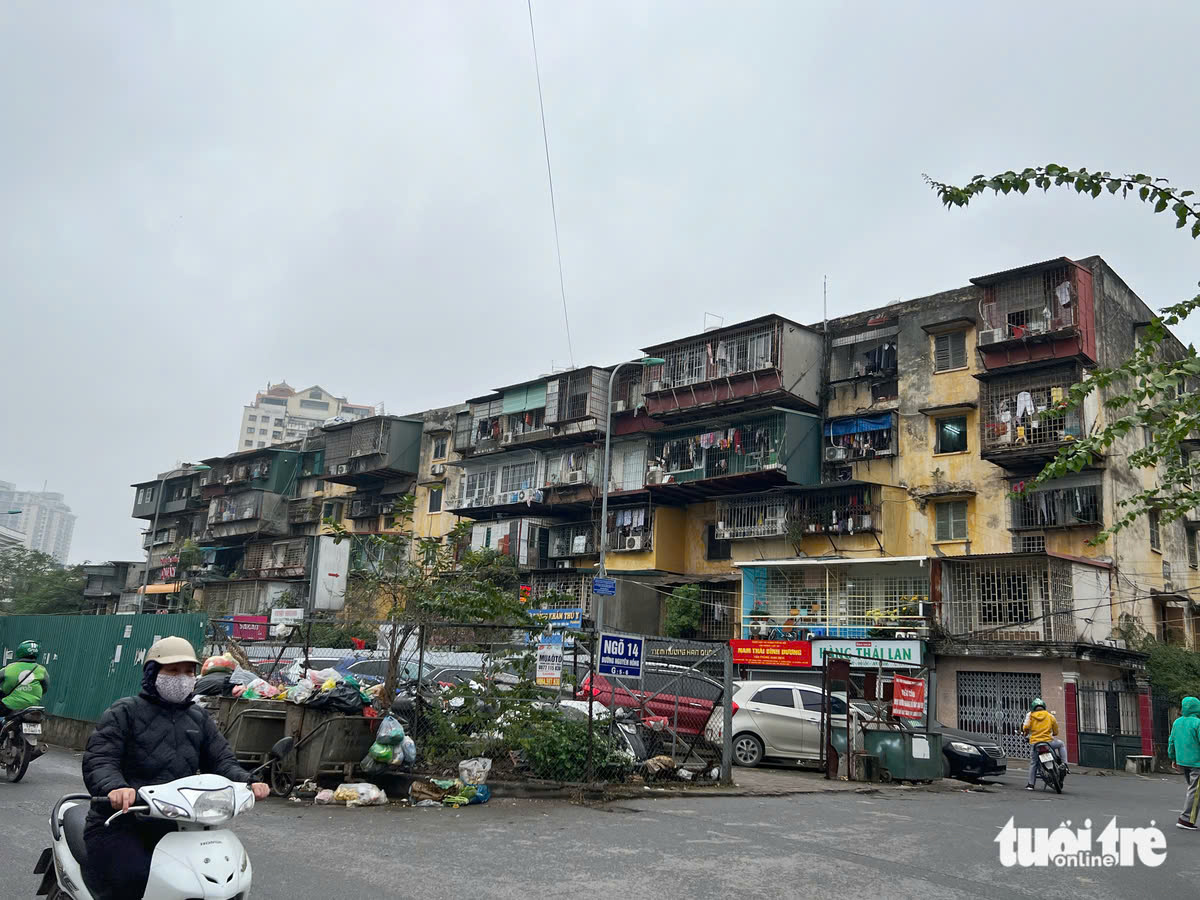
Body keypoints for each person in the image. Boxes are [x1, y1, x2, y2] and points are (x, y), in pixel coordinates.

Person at [81, 636, 269, 900]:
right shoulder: (124, 712)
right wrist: (117, 788)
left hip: (180, 823)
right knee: (133, 878)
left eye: (188, 671)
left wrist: (247, 781)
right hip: (122, 821)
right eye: (173, 670)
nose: (182, 678)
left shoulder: (198, 717)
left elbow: (221, 760)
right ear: (153, 673)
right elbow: (101, 760)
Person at [1168, 696, 1200, 830]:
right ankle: (1185, 819)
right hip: (1197, 763)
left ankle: (1187, 817)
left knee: (1194, 789)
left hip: (1183, 762)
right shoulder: (1197, 723)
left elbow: (1171, 741)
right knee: (1195, 791)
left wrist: (1173, 758)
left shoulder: (1177, 723)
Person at [1021, 697, 1067, 790]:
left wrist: (1025, 734)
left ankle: (1031, 785)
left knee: (1033, 762)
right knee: (1061, 744)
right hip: (1048, 742)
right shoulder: (1050, 716)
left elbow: (1025, 728)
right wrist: (1054, 733)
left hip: (1035, 743)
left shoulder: (1030, 715)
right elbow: (1055, 729)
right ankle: (1064, 764)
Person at [0, 639, 49, 717]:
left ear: (20, 652)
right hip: (33, 707)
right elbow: (45, 688)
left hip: (10, 705)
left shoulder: (8, 668)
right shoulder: (42, 670)